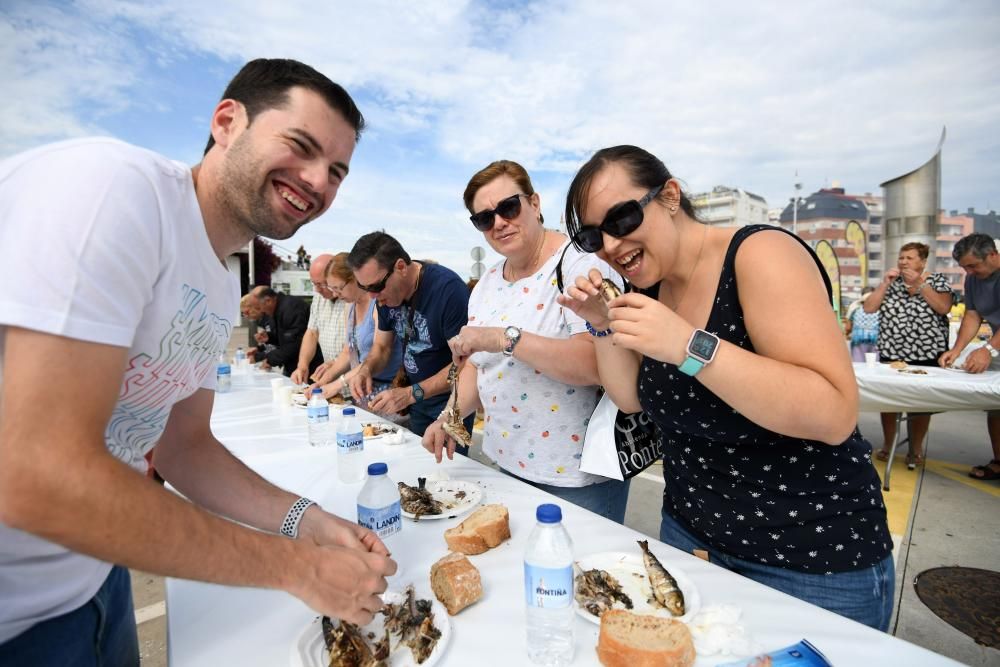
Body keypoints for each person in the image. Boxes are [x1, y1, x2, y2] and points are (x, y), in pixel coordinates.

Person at [0, 58, 396, 663]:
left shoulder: (213, 280)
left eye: (337, 170)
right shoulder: (113, 190)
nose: (318, 181)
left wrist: (306, 521)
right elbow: (34, 475)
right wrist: (298, 568)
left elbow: (183, 446)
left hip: (94, 581)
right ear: (227, 122)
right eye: (300, 145)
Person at [558, 145, 893, 630]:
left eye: (623, 218)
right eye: (592, 237)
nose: (610, 245)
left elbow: (834, 412)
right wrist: (603, 325)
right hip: (691, 542)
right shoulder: (645, 287)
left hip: (811, 559)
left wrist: (688, 345)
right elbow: (631, 398)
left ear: (670, 196)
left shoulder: (758, 254)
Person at [422, 160, 631, 522]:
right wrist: (449, 416)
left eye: (508, 207)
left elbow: (595, 365)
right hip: (505, 461)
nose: (498, 222)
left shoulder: (578, 265)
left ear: (534, 204)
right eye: (484, 218)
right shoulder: (487, 282)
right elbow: (477, 364)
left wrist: (504, 337)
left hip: (575, 477)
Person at [346, 232, 474, 439]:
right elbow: (382, 347)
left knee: (449, 469)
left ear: (400, 267)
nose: (372, 296)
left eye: (376, 286)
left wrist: (411, 393)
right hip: (416, 399)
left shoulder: (448, 290)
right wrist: (365, 370)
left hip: (452, 400)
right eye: (364, 288)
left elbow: (464, 364)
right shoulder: (384, 297)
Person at [864, 242, 953, 469]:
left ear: (923, 262)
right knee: (889, 401)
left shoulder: (936, 280)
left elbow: (944, 308)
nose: (903, 262)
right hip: (892, 353)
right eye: (901, 257)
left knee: (920, 404)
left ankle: (915, 448)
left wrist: (920, 284)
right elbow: (869, 308)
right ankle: (888, 444)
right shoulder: (891, 283)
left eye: (910, 258)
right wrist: (885, 283)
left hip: (927, 353)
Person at [939, 233, 1000, 480]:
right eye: (965, 267)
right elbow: (973, 315)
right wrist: (957, 349)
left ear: (993, 255)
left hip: (996, 345)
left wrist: (988, 349)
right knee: (996, 407)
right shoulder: (973, 280)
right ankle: (999, 461)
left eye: (973, 265)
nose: (969, 272)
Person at [308, 253, 403, 403]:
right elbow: (348, 352)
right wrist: (322, 382)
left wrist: (337, 384)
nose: (335, 294)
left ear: (355, 279)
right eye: (332, 289)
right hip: (364, 389)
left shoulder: (379, 304)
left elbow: (379, 351)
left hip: (390, 390)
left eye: (338, 289)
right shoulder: (350, 306)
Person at [290, 253, 348, 385]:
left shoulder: (351, 299)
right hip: (330, 378)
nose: (317, 290)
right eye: (314, 284)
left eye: (322, 284)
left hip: (352, 376)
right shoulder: (318, 299)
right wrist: (302, 365)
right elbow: (312, 332)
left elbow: (354, 346)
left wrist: (336, 363)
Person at [249, 286, 320, 377]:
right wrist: (270, 337)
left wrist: (266, 358)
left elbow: (295, 344)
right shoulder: (278, 309)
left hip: (309, 367)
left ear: (268, 301)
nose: (260, 311)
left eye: (258, 308)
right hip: (294, 365)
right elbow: (286, 338)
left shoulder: (290, 308)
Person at [844, 286, 879, 362]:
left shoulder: (855, 310)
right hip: (876, 341)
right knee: (875, 365)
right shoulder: (881, 310)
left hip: (858, 341)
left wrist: (847, 334)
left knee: (859, 366)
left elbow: (848, 327)